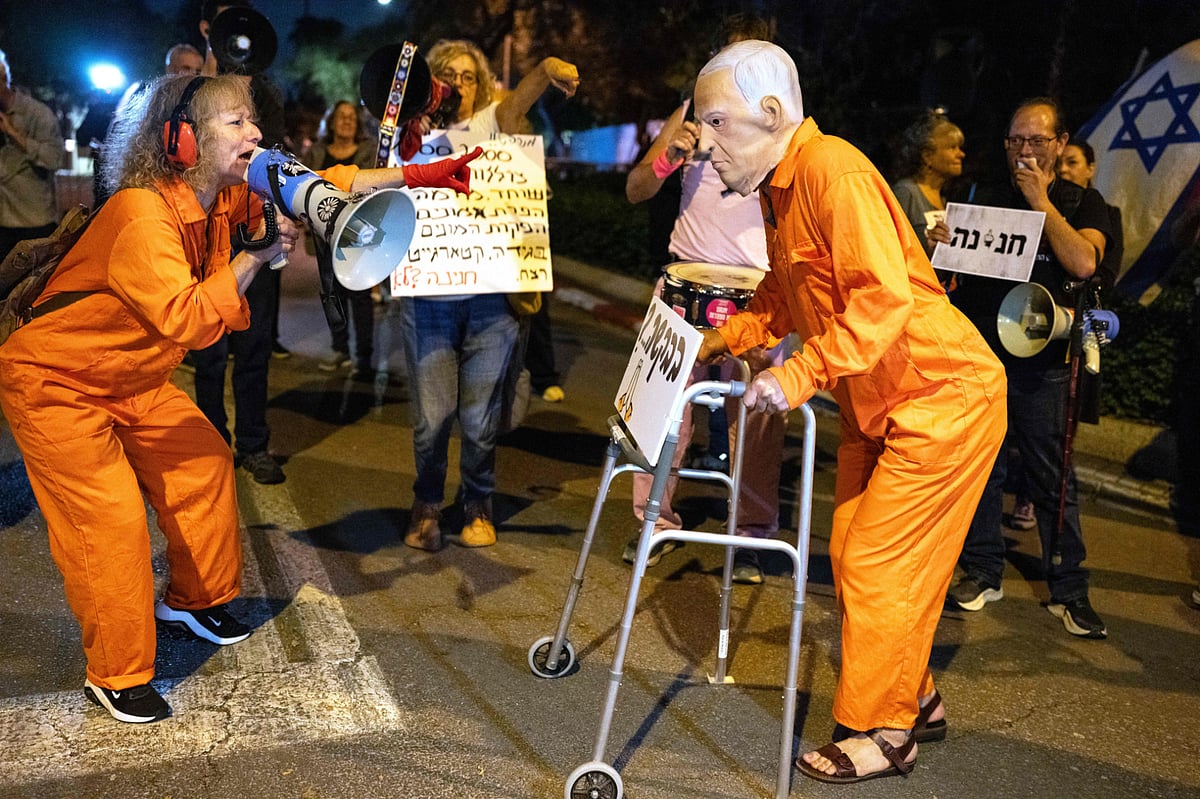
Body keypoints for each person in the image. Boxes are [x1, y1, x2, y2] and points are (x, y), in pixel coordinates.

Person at [0, 72, 477, 724]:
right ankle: (116, 673)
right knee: (108, 523)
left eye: (253, 119)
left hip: (132, 379)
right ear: (181, 140)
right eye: (235, 121)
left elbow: (334, 183)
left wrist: (424, 178)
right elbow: (188, 318)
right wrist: (253, 259)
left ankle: (193, 599)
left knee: (202, 462)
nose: (254, 132)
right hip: (57, 384)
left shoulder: (226, 196)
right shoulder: (141, 212)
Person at [692, 40, 1007, 782]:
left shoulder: (834, 169)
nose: (702, 143)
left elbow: (880, 298)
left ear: (770, 115)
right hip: (881, 400)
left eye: (714, 121)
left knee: (876, 562)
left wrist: (796, 375)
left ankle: (887, 731)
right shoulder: (781, 186)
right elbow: (782, 297)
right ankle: (916, 692)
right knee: (854, 551)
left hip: (940, 394)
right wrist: (721, 340)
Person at [932, 98, 1116, 639]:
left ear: (1061, 144)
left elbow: (1085, 262)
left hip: (1044, 361)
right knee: (982, 468)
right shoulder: (979, 198)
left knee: (1051, 477)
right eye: (1016, 141)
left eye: (1036, 141)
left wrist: (1041, 202)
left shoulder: (1084, 203)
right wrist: (939, 246)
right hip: (982, 353)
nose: (1024, 151)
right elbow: (946, 273)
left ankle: (1069, 588)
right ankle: (983, 570)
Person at [622, 11, 786, 585]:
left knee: (759, 418)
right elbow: (637, 188)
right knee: (663, 411)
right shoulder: (690, 113)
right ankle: (653, 523)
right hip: (683, 280)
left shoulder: (780, 124)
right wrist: (672, 156)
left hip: (756, 292)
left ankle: (751, 538)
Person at [401, 39, 579, 552]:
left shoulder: (493, 128)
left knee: (480, 416)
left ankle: (478, 502)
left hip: (491, 300)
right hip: (429, 296)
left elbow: (520, 99)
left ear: (481, 87)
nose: (459, 83)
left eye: (469, 76)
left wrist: (546, 67)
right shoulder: (411, 140)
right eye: (447, 75)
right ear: (431, 85)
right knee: (432, 416)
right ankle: (427, 503)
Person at [189, 0, 292, 484]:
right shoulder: (188, 90)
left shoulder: (266, 94)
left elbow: (273, 157)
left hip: (254, 229)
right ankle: (211, 441)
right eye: (227, 24)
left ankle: (254, 444)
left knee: (254, 348)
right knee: (208, 352)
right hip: (203, 235)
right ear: (208, 28)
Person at [302, 100, 378, 378]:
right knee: (332, 294)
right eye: (341, 117)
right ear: (331, 121)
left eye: (351, 117)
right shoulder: (317, 152)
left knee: (361, 298)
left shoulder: (369, 151)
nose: (346, 121)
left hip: (359, 236)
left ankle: (365, 357)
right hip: (325, 239)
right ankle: (340, 348)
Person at [0, 48, 63, 262]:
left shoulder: (38, 114)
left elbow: (54, 158)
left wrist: (14, 134)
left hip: (32, 224)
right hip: (3, 223)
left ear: (3, 81)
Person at [890, 109, 964, 251]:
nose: (961, 154)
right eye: (952, 148)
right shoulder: (906, 193)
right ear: (927, 156)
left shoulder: (944, 197)